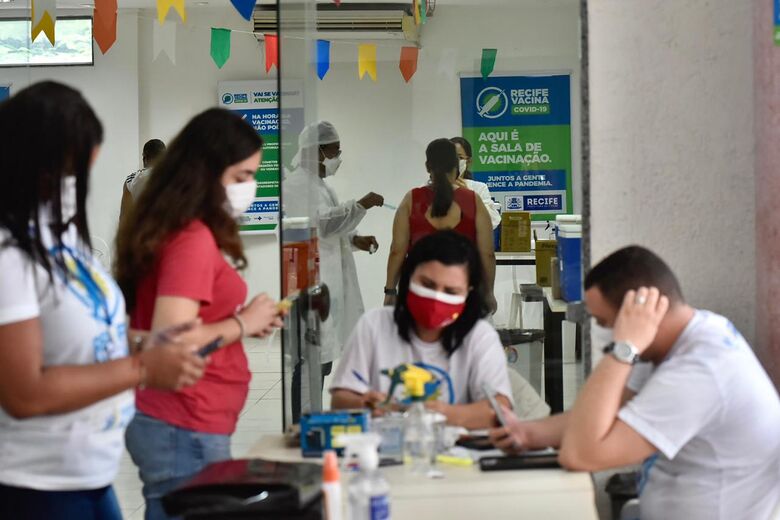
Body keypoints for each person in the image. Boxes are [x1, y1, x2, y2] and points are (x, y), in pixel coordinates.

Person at [0, 82, 207, 519]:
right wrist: (144, 367)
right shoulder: (9, 255)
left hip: (92, 478)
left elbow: (78, 334)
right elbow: (24, 393)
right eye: (74, 167)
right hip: (36, 486)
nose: (79, 182)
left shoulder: (64, 244)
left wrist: (140, 342)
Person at [489, 246, 780, 520]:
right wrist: (529, 433)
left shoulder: (700, 370)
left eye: (604, 323)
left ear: (640, 312)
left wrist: (623, 348)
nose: (603, 333)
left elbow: (580, 454)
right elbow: (610, 412)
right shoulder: (688, 336)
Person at [114, 108, 286, 520]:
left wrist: (244, 319)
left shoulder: (179, 228)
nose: (250, 186)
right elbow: (169, 345)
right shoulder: (189, 238)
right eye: (242, 176)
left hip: (185, 420)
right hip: (182, 421)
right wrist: (242, 323)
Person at [331, 231, 512, 430]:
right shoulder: (374, 325)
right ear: (408, 278)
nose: (436, 299)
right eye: (427, 284)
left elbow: (498, 411)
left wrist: (432, 413)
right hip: (385, 453)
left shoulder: (480, 336)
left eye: (451, 292)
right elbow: (340, 401)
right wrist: (364, 404)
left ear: (468, 294)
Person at [283, 121, 384, 419]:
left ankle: (312, 416)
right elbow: (323, 225)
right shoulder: (297, 185)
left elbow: (328, 231)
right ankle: (304, 422)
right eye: (334, 150)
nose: (338, 156)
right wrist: (361, 205)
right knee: (310, 356)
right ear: (317, 150)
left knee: (322, 356)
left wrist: (356, 240)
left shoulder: (319, 185)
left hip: (326, 282)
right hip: (310, 281)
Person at [384, 138, 496, 311]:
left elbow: (397, 251)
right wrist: (488, 293)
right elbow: (487, 253)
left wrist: (390, 292)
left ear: (428, 167)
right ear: (456, 167)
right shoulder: (473, 200)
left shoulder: (411, 199)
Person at [450, 136, 501, 229]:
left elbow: (492, 221)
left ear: (468, 161)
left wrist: (468, 197)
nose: (453, 161)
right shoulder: (430, 187)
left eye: (459, 157)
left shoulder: (479, 188)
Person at [119, 139, 166, 223]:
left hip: (143, 232)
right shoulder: (176, 175)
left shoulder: (131, 179)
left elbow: (124, 217)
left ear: (145, 158)